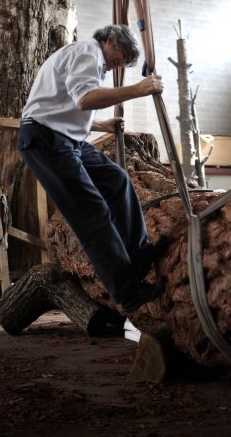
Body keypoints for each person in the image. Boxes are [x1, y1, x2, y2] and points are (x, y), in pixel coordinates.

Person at [18, 24, 168, 315]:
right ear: (109, 39)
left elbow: (66, 106)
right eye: (119, 57)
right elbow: (85, 99)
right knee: (91, 212)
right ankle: (127, 292)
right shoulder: (88, 51)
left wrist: (101, 125)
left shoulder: (89, 60)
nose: (117, 66)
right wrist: (138, 89)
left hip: (64, 137)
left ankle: (138, 257)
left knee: (118, 181)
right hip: (46, 140)